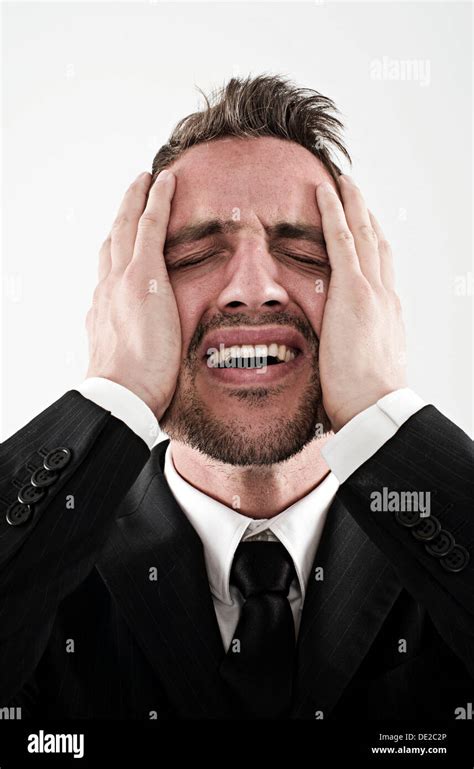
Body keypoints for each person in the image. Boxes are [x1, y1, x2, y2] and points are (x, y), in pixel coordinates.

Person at [0, 75, 472, 721]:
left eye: (304, 250)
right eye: (195, 254)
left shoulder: (438, 544)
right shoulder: (54, 552)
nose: (254, 287)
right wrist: (116, 393)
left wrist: (379, 410)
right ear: (129, 297)